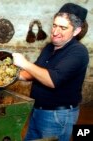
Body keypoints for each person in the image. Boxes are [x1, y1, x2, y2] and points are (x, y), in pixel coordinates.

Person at [12, 3, 89, 141]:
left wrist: (24, 63)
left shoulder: (78, 52)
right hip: (37, 110)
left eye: (63, 28)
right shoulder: (50, 46)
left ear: (76, 31)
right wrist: (14, 75)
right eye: (54, 25)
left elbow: (53, 80)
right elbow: (35, 71)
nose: (55, 32)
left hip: (57, 116)